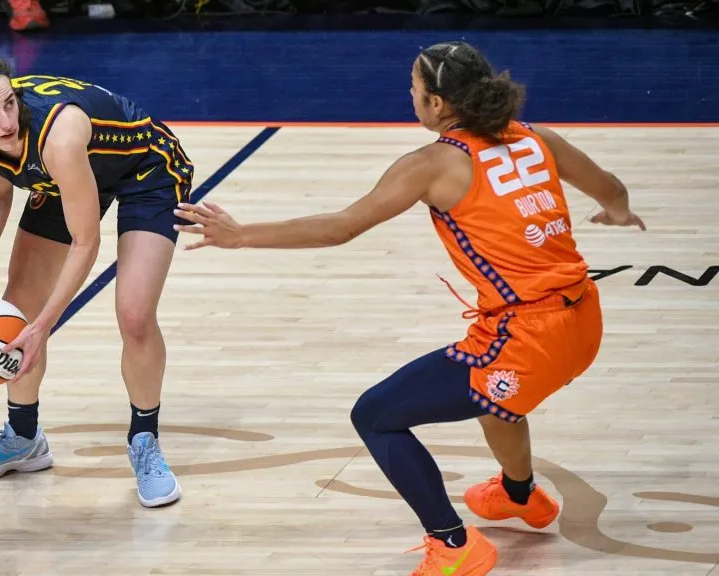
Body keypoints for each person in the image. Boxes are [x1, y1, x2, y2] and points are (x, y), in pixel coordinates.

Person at [173, 41, 645, 575]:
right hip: (584, 320)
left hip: (528, 337)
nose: (411, 96)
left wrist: (240, 236)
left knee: (375, 415)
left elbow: (341, 228)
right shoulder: (539, 138)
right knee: (494, 395)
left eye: (414, 89)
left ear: (438, 103)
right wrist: (617, 214)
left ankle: (453, 544)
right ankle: (519, 496)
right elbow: (613, 190)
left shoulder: (432, 164)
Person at [0, 55, 195, 509]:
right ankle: (23, 437)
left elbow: (85, 243)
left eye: (10, 104)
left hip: (146, 171)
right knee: (18, 309)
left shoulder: (58, 135)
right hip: (64, 179)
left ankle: (145, 440)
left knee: (134, 315)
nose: (6, 121)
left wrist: (45, 326)